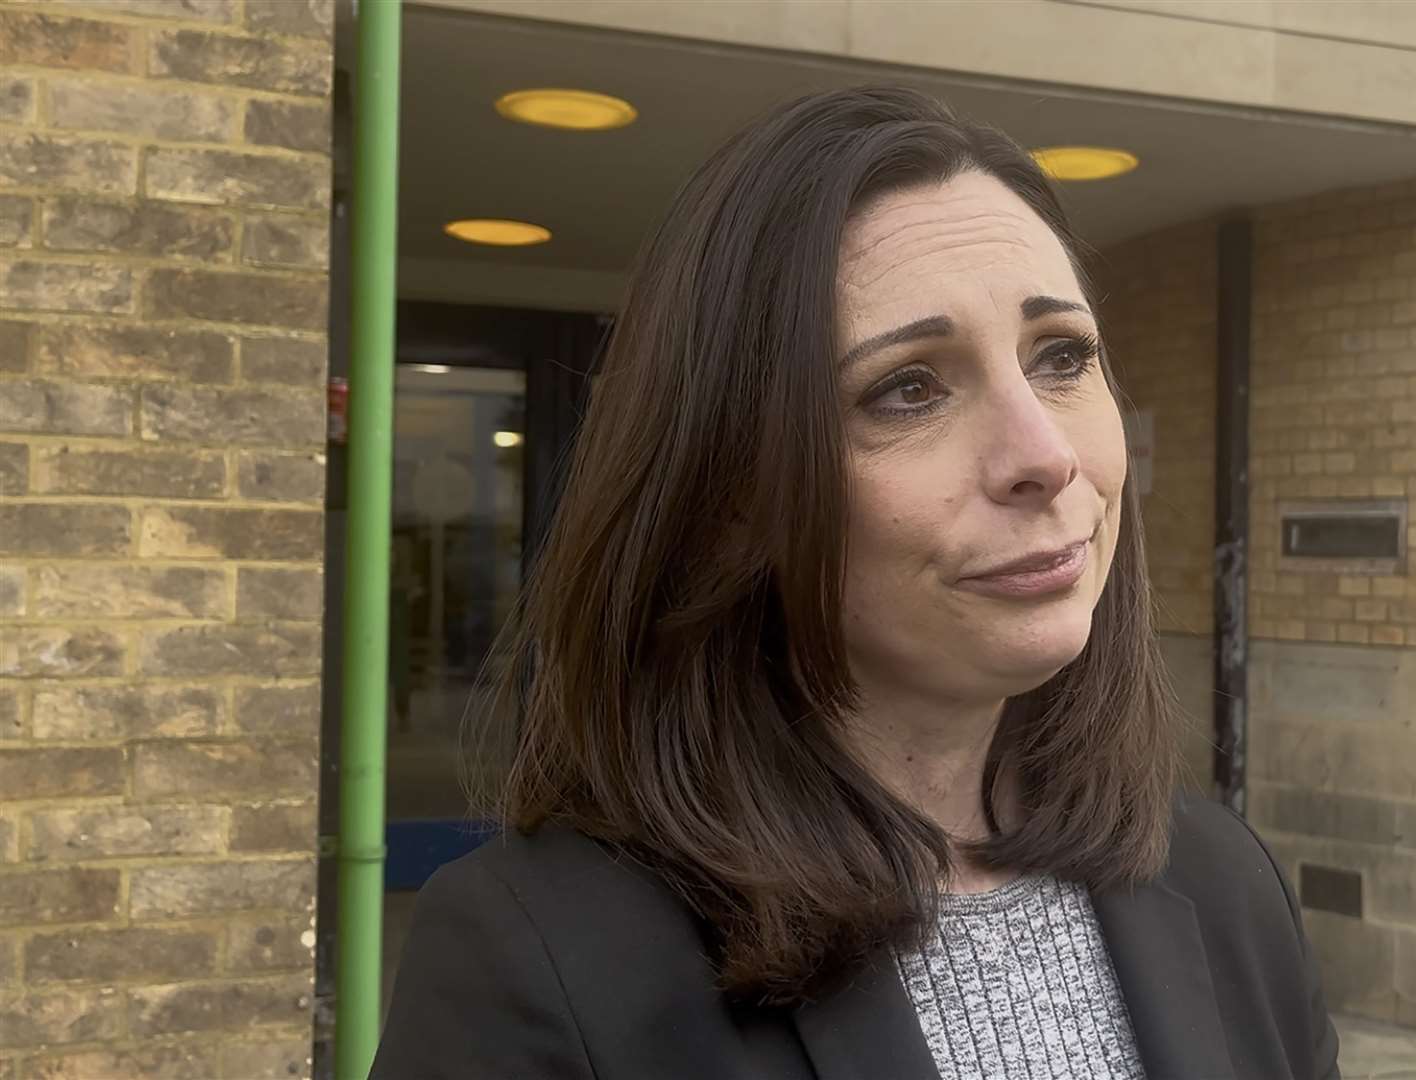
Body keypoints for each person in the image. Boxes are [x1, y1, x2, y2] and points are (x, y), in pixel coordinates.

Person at [372, 85, 1340, 1080]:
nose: (1044, 456)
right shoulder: (537, 958)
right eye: (909, 386)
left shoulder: (1225, 882)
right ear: (732, 490)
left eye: (1061, 356)